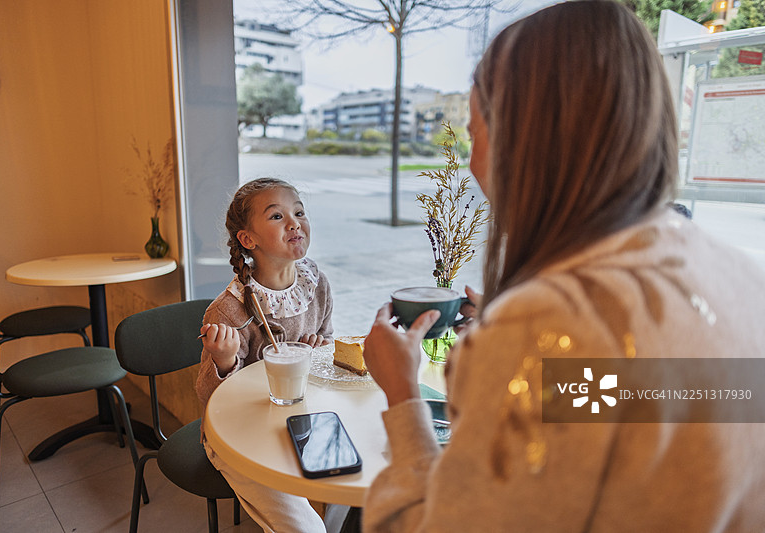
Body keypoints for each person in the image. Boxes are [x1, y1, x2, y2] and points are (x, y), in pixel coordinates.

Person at [361, 1, 765, 531]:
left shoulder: (546, 326)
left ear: (522, 139)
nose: (473, 151)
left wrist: (403, 394)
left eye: (475, 127)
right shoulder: (742, 277)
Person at [196, 177, 333, 533]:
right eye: (276, 216)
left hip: (300, 422)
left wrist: (319, 347)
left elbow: (328, 343)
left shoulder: (316, 284)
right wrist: (224, 361)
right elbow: (210, 401)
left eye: (299, 212)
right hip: (239, 436)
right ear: (247, 239)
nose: (294, 222)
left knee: (359, 497)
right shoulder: (228, 311)